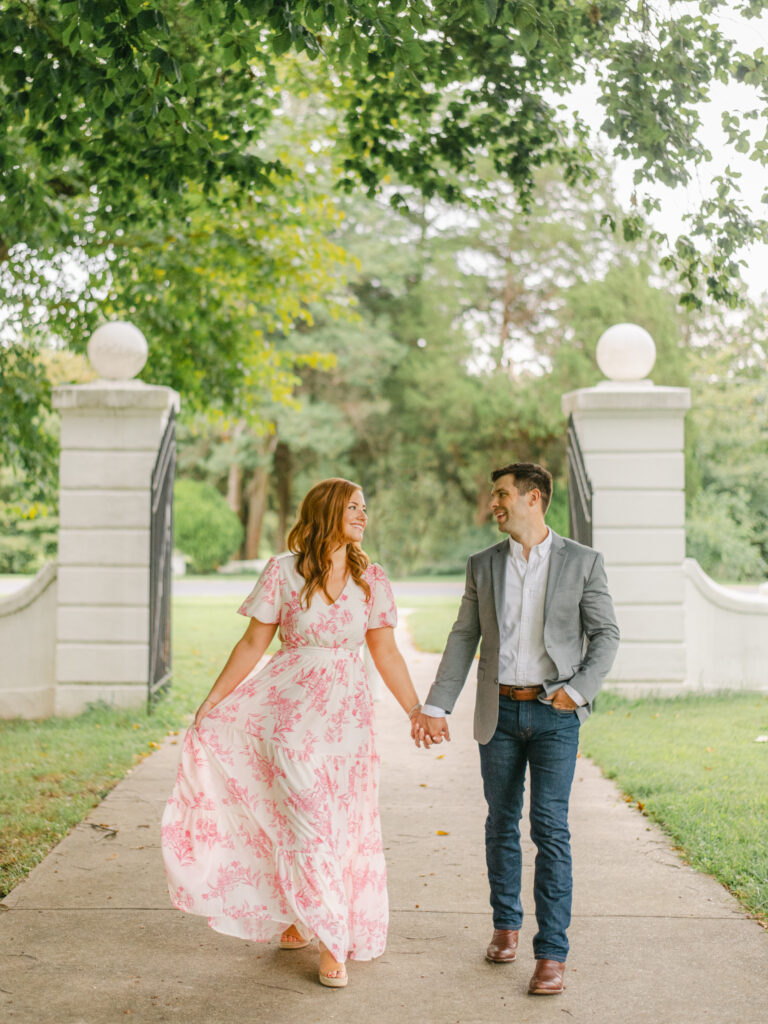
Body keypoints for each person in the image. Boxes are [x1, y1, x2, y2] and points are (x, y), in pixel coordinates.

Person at [161, 478, 424, 989]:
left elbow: (386, 652)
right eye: (353, 507)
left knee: (343, 827)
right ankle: (331, 943)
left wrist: (416, 708)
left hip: (349, 730)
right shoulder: (282, 572)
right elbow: (253, 642)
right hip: (290, 726)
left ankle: (299, 914)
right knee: (306, 824)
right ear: (326, 511)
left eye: (365, 508)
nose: (363, 516)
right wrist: (212, 701)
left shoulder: (372, 578)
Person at [411, 462, 619, 996]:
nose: (493, 504)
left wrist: (578, 690)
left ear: (534, 498)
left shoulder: (584, 562)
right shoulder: (482, 565)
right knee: (501, 822)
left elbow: (606, 635)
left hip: (555, 714)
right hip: (497, 714)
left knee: (549, 828)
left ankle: (551, 954)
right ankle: (506, 926)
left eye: (502, 494)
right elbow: (463, 637)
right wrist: (437, 705)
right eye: (493, 494)